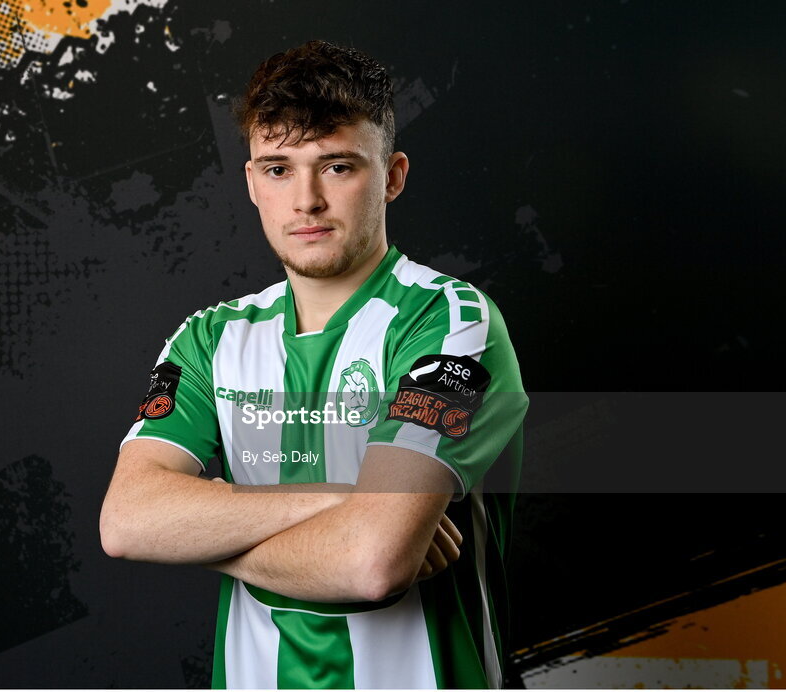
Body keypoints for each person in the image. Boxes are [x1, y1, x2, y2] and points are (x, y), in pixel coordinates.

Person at [100, 40, 527, 689]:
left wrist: (197, 533)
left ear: (392, 175)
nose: (305, 201)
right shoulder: (210, 339)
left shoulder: (450, 324)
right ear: (251, 182)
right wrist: (341, 503)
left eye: (336, 167)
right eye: (278, 169)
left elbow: (372, 563)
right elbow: (128, 521)